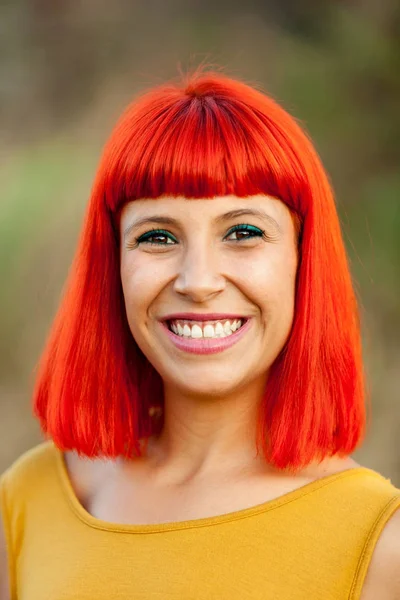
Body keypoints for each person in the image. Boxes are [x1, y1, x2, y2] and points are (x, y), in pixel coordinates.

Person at [0, 68, 399, 599]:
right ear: (112, 266)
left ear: (304, 261)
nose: (198, 282)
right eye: (158, 236)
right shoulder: (29, 500)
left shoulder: (379, 545)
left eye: (244, 232)